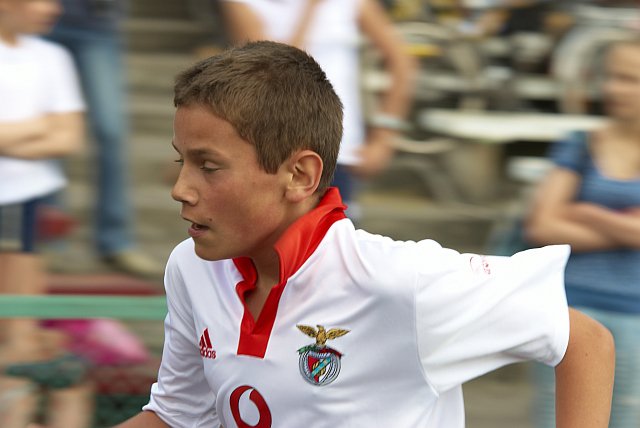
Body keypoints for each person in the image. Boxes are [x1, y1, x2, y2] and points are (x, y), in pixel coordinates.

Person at [115, 41, 614, 428]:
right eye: (182, 161)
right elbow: (177, 417)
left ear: (300, 176)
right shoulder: (191, 267)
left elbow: (584, 340)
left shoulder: (400, 280)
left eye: (208, 166)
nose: (181, 188)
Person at [526, 38, 640, 427]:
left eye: (629, 79)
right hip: (569, 311)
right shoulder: (580, 143)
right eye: (611, 77)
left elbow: (558, 218)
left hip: (634, 315)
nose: (613, 89)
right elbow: (542, 225)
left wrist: (587, 212)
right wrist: (626, 226)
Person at [220, 0, 416, 212]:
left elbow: (401, 61)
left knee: (335, 229)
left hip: (340, 153)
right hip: (277, 153)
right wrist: (310, 9)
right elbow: (276, 72)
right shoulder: (243, 4)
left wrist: (383, 138)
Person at [0, 0, 92, 426]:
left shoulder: (53, 57)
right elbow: (54, 130)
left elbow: (68, 138)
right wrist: (38, 125)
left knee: (17, 330)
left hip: (26, 201)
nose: (53, 8)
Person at [45, 0, 163, 278]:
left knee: (110, 131)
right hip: (44, 19)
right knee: (48, 132)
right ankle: (48, 237)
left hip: (98, 22)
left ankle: (115, 240)